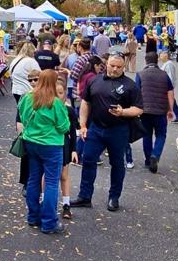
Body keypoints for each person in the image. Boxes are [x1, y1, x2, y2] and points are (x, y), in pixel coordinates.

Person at [75, 52, 141, 211]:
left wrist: (123, 112)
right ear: (107, 65)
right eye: (112, 66)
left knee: (117, 164)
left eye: (119, 67)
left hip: (118, 130)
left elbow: (138, 109)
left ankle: (114, 197)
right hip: (96, 128)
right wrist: (83, 125)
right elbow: (85, 103)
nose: (115, 69)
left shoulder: (130, 85)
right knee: (88, 160)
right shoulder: (94, 80)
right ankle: (84, 196)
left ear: (124, 67)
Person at [16, 68, 72, 234]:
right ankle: (49, 222)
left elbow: (22, 117)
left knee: (33, 179)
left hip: (31, 143)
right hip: (51, 145)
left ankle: (33, 217)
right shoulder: (55, 103)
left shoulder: (27, 98)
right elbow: (64, 127)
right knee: (51, 183)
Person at [135, 48, 177, 173]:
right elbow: (170, 92)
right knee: (161, 135)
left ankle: (148, 160)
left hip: (145, 110)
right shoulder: (164, 75)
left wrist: (137, 109)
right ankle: (155, 155)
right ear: (157, 60)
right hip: (160, 110)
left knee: (146, 135)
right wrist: (170, 109)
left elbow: (137, 92)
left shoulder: (140, 74)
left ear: (146, 61)